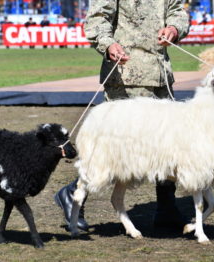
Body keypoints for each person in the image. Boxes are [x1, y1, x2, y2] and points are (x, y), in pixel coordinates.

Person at [54, 0, 190, 232]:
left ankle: (166, 208)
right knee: (115, 148)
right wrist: (108, 45)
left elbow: (178, 11)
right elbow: (98, 18)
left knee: (168, 144)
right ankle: (73, 195)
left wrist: (175, 29)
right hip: (125, 76)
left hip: (160, 77)